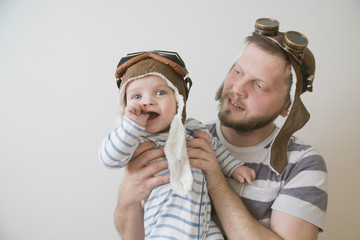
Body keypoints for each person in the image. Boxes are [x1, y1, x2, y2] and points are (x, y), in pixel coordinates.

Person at [113, 18, 328, 240]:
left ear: (287, 106)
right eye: (238, 72)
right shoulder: (182, 138)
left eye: (259, 85)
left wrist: (217, 181)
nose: (238, 89)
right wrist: (127, 198)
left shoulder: (302, 164)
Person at [99, 51, 256, 239]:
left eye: (160, 92)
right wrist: (130, 128)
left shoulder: (193, 129)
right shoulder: (136, 139)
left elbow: (216, 150)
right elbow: (109, 159)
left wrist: (234, 168)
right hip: (165, 226)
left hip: (202, 224)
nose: (148, 101)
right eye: (136, 97)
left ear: (179, 101)